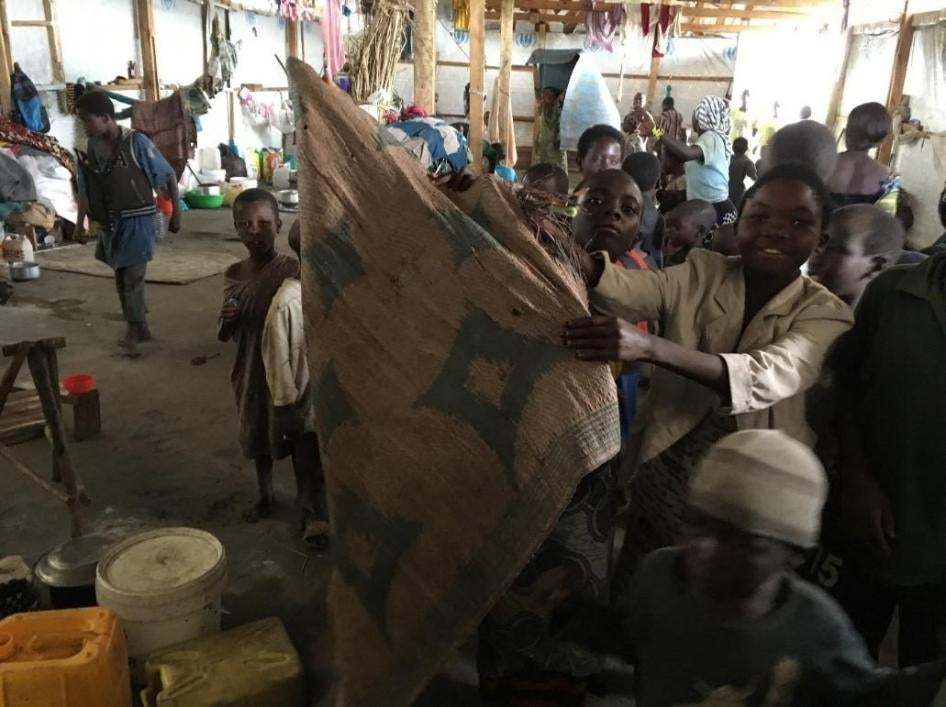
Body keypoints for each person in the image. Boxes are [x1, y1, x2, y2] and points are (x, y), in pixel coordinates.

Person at [564, 163, 854, 587]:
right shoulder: (704, 271)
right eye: (759, 217)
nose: (775, 230)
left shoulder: (827, 314)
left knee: (718, 609)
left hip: (752, 502)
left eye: (798, 221)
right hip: (667, 469)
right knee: (644, 587)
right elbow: (634, 291)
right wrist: (576, 257)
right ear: (739, 222)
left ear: (821, 238)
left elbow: (769, 373)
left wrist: (651, 348)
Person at [603, 429, 946, 707]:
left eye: (741, 542)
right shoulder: (660, 574)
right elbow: (638, 637)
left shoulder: (816, 629)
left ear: (793, 555)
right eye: (699, 524)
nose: (702, 549)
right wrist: (576, 616)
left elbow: (869, 694)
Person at [478, 170, 642, 705]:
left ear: (641, 227)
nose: (611, 213)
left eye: (628, 207)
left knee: (577, 588)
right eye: (596, 200)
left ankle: (572, 676)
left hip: (593, 475)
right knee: (510, 579)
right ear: (570, 209)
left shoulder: (643, 286)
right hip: (518, 456)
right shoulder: (526, 271)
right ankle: (505, 676)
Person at [830, 249, 946, 667]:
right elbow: (846, 388)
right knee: (843, 660)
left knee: (925, 671)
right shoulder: (893, 292)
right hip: (872, 527)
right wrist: (857, 479)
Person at [74, 90, 181, 355]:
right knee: (120, 276)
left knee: (133, 275)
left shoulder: (137, 143)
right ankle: (140, 325)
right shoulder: (92, 146)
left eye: (88, 120)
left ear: (106, 117)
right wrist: (79, 224)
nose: (84, 126)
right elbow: (86, 188)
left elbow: (168, 176)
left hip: (139, 221)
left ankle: (133, 328)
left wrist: (176, 213)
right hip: (112, 223)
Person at [218, 189, 300, 521]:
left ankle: (307, 499)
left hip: (287, 366)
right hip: (250, 367)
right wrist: (228, 318)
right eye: (245, 224)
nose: (255, 231)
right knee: (256, 432)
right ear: (236, 229)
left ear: (279, 225)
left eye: (264, 223)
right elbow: (224, 334)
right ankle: (265, 496)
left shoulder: (292, 270)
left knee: (297, 433)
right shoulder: (234, 274)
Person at [261, 220, 329, 548]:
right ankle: (312, 518)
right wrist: (284, 407)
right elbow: (278, 361)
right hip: (303, 406)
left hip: (330, 402)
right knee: (308, 466)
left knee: (329, 466)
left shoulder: (334, 292)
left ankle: (327, 514)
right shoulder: (287, 302)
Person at [808, 204, 905, 308]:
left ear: (875, 266)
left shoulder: (880, 321)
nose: (815, 251)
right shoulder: (798, 301)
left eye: (835, 248)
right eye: (819, 241)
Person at [658, 96, 735, 225]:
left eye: (696, 113)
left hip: (716, 211)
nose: (693, 117)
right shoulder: (707, 140)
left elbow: (687, 154)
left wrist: (656, 131)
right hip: (707, 207)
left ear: (703, 117)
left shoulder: (711, 137)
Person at [827, 102, 898, 213]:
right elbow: (886, 221)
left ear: (848, 131)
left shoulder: (824, 163)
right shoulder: (890, 177)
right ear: (879, 141)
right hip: (863, 230)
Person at [623, 151, 665, 267]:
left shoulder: (617, 203)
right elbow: (656, 253)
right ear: (657, 182)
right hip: (642, 267)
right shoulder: (656, 217)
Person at [662, 199, 717, 267]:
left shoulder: (698, 266)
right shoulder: (664, 243)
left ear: (699, 231)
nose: (665, 230)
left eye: (676, 227)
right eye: (668, 224)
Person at [533, 86, 567, 172]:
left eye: (550, 94)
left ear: (554, 97)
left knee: (559, 170)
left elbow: (563, 97)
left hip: (557, 146)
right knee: (543, 170)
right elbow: (538, 98)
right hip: (544, 145)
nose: (547, 96)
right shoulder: (542, 108)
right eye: (545, 94)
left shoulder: (559, 107)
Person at [728, 136, 757, 205]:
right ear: (746, 148)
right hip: (737, 193)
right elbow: (753, 176)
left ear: (733, 147)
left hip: (721, 190)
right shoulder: (747, 161)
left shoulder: (726, 158)